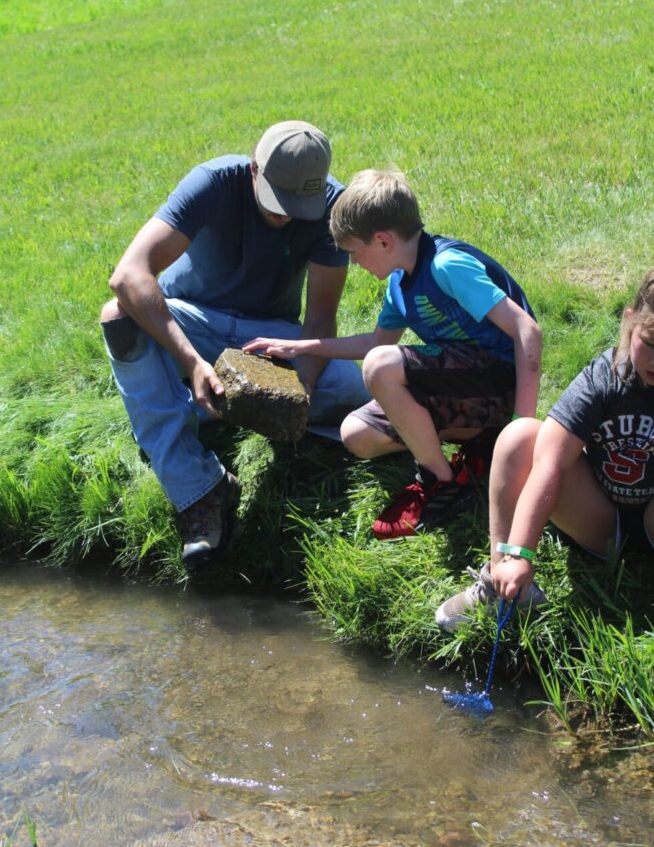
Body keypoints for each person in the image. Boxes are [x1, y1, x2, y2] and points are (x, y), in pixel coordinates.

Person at [100, 121, 368, 566]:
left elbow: (320, 316)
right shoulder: (213, 181)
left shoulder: (330, 208)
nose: (285, 216)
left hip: (269, 336)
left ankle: (178, 410)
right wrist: (192, 361)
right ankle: (201, 491)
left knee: (353, 390)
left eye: (296, 207)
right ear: (253, 168)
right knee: (119, 317)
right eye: (277, 202)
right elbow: (127, 275)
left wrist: (295, 393)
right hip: (192, 321)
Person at [244, 169, 541, 538]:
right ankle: (482, 440)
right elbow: (375, 343)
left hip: (502, 380)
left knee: (382, 367)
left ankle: (443, 483)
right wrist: (300, 346)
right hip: (465, 388)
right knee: (356, 435)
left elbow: (527, 330)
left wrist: (522, 425)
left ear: (383, 241)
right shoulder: (400, 283)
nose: (354, 263)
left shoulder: (447, 266)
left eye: (354, 252)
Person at [436, 269, 654, 632]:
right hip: (599, 520)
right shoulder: (604, 378)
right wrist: (519, 552)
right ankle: (505, 585)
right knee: (519, 437)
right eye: (650, 342)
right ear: (629, 322)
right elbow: (549, 462)